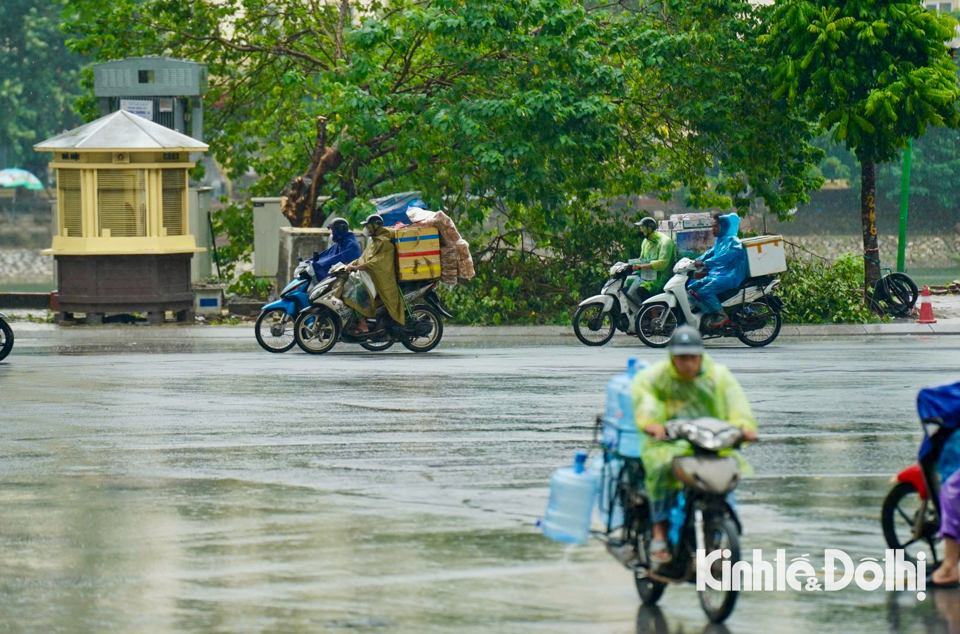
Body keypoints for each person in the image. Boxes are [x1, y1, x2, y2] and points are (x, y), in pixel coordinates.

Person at [631, 326, 758, 564]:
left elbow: (736, 403)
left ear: (700, 356)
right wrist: (651, 423)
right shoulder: (659, 376)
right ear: (672, 358)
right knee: (660, 469)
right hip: (671, 442)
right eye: (681, 358)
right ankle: (659, 530)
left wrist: (743, 428)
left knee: (725, 478)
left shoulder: (718, 376)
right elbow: (645, 396)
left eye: (692, 357)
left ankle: (724, 529)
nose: (687, 363)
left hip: (711, 442)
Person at [343, 214, 405, 334]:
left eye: (368, 226)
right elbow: (363, 258)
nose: (367, 229)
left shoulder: (385, 243)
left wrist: (355, 267)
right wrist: (349, 265)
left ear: (376, 226)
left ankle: (363, 325)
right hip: (367, 277)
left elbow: (374, 264)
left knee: (356, 295)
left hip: (377, 280)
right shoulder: (374, 241)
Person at [688, 213, 747, 328]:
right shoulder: (720, 241)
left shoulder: (733, 242)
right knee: (692, 288)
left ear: (723, 227)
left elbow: (722, 258)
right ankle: (707, 312)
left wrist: (705, 263)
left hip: (730, 276)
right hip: (718, 274)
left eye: (715, 226)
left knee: (704, 292)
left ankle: (721, 315)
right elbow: (708, 253)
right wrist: (693, 261)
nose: (712, 229)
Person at [625, 216, 676, 305]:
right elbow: (641, 259)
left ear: (649, 229)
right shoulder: (646, 241)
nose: (640, 230)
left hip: (660, 278)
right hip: (647, 275)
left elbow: (662, 264)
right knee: (626, 282)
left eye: (642, 227)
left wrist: (641, 266)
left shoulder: (665, 242)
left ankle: (653, 315)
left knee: (642, 289)